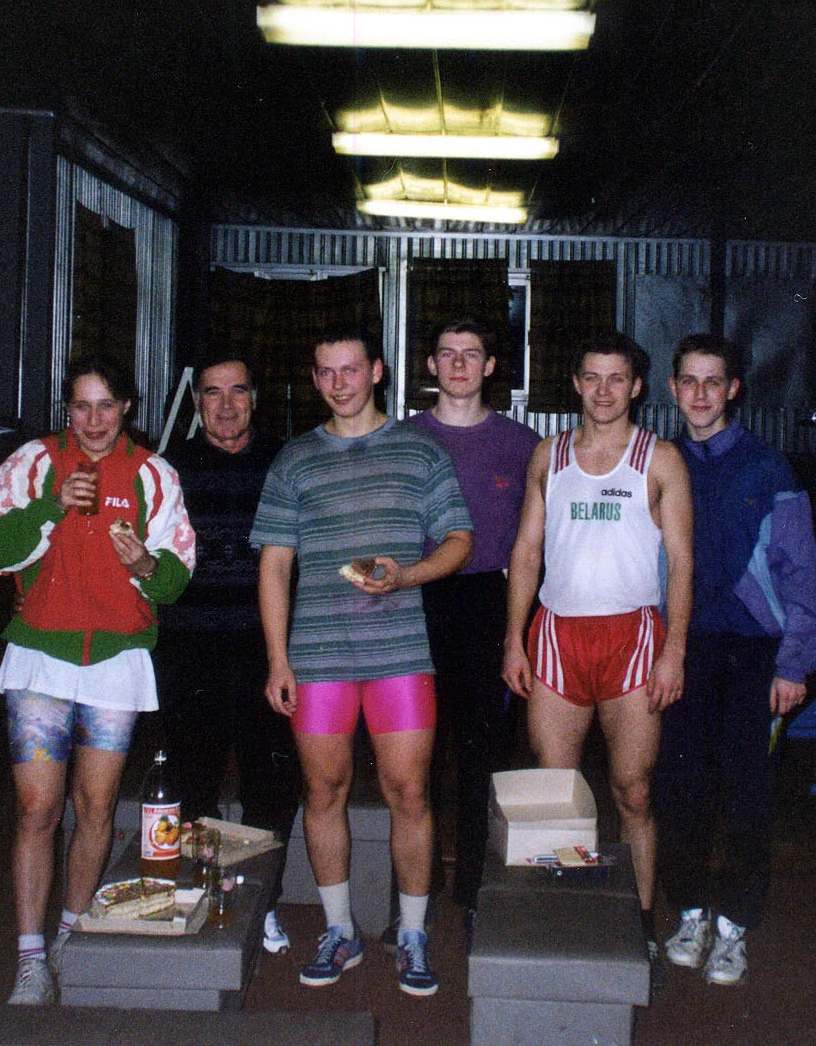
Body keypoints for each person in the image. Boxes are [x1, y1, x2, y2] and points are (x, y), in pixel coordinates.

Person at [251, 333, 472, 998]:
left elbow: (459, 539)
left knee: (410, 793)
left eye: (351, 369)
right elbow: (275, 565)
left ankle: (412, 934)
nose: (339, 383)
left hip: (399, 653)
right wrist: (278, 659)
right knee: (323, 792)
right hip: (318, 658)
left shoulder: (420, 450)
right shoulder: (294, 459)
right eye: (326, 372)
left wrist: (408, 575)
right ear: (315, 378)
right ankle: (339, 929)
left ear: (376, 371)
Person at [0, 354, 196, 1006]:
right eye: (80, 406)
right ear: (66, 409)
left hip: (116, 665)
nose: (93, 421)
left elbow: (174, 580)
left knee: (95, 808)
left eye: (106, 406)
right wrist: (50, 506)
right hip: (40, 661)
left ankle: (69, 939)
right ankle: (29, 959)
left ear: (126, 407)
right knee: (38, 809)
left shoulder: (154, 474)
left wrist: (145, 564)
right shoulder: (34, 462)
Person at [502, 331, 693, 957]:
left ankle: (640, 923)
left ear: (636, 387)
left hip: (632, 640)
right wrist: (513, 640)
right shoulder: (549, 455)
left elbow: (682, 564)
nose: (603, 391)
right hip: (558, 636)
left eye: (616, 379)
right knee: (556, 791)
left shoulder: (659, 458)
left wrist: (674, 652)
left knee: (632, 791)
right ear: (576, 384)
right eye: (592, 378)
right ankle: (567, 914)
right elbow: (525, 552)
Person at [654, 334, 816, 986]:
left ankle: (734, 927)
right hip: (684, 648)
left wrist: (794, 663)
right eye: (688, 381)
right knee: (683, 787)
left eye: (712, 381)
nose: (700, 393)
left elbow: (800, 572)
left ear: (733, 389)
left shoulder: (768, 468)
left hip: (756, 651)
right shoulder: (661, 463)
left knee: (749, 793)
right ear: (673, 389)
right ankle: (691, 913)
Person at [156, 353, 299, 956]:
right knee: (194, 784)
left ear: (255, 399)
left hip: (267, 650)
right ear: (197, 404)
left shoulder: (285, 462)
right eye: (212, 393)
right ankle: (203, 891)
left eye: (238, 391)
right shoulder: (169, 468)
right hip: (188, 650)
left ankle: (260, 903)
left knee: (272, 786)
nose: (226, 405)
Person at [407, 318, 540, 941]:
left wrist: (517, 630)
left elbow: (534, 544)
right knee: (416, 754)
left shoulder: (521, 444)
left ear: (490, 366)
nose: (459, 365)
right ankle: (417, 890)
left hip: (490, 601)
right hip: (417, 600)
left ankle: (474, 890)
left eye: (471, 355)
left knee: (480, 754)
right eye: (447, 354)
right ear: (431, 365)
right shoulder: (405, 438)